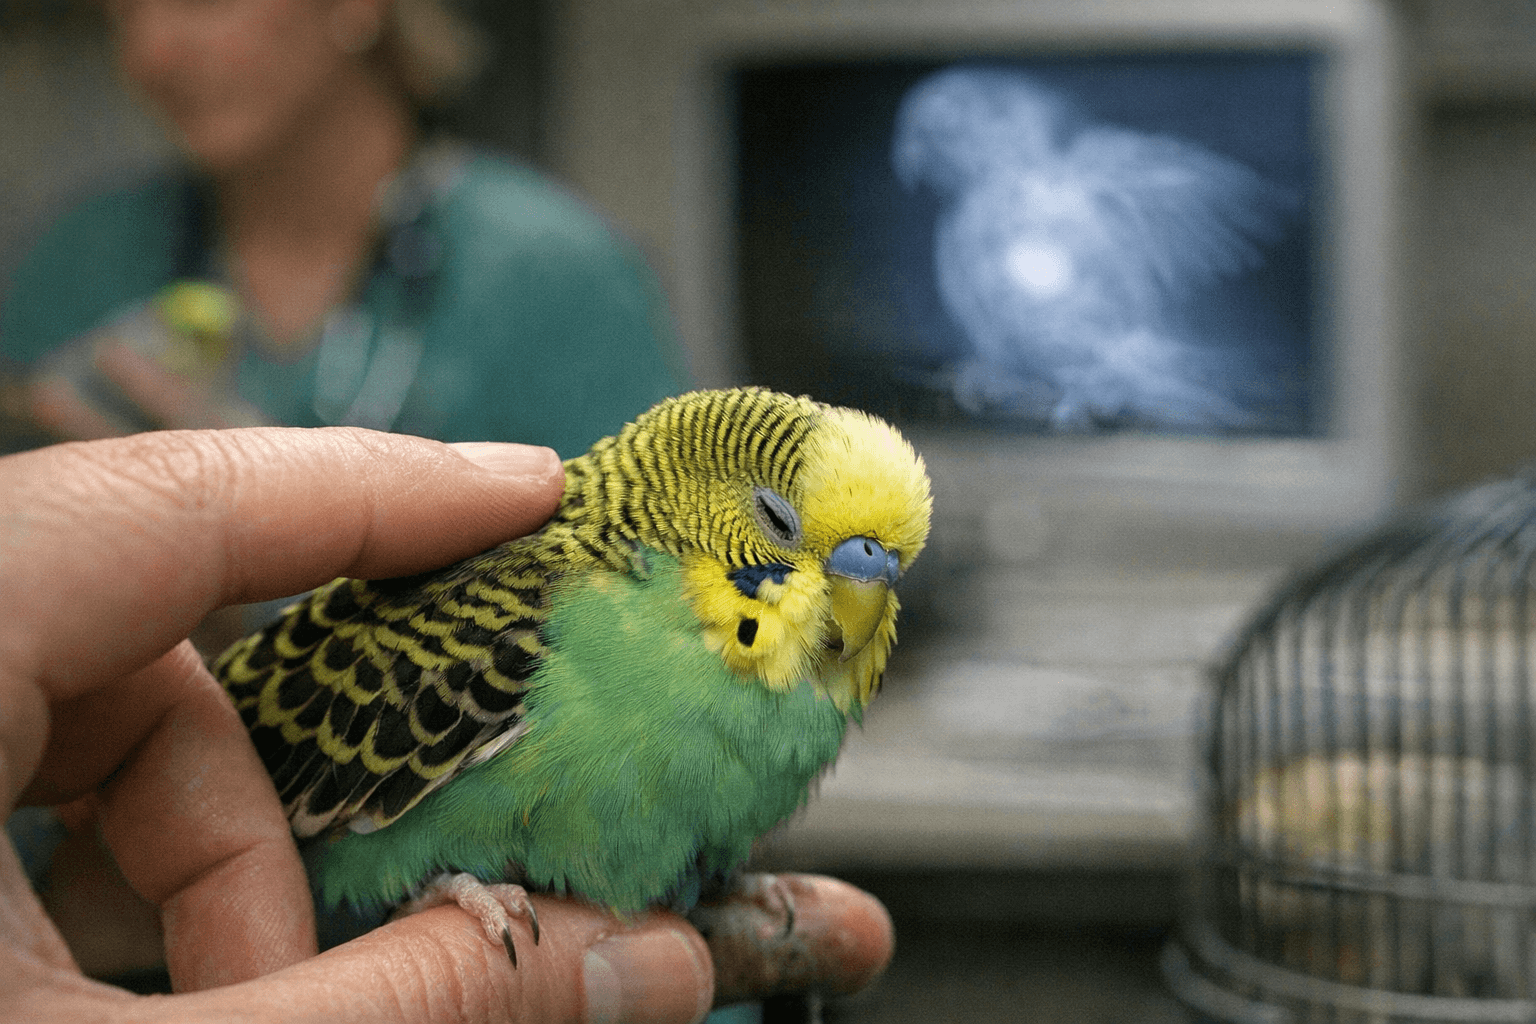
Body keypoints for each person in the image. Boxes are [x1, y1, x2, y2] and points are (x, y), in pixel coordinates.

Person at [0, 426, 894, 1021]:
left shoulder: (806, 695)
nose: (855, 594)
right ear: (680, 495)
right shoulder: (531, 599)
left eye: (886, 571)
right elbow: (240, 775)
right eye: (778, 524)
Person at [1, 0, 685, 457]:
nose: (150, 53)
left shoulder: (556, 279)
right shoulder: (79, 263)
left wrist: (262, 540)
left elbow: (647, 602)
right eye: (120, 10)